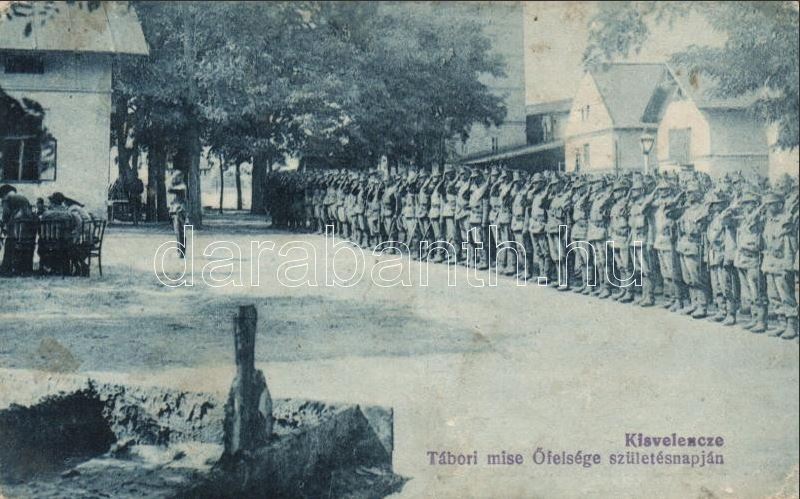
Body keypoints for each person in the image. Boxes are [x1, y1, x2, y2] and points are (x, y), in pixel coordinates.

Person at [761, 192, 798, 339]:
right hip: (770, 263)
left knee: (786, 295)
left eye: (771, 204)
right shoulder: (769, 220)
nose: (768, 207)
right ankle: (781, 323)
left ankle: (792, 325)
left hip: (782, 263)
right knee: (773, 295)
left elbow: (788, 244)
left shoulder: (786, 219)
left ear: (780, 205)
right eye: (767, 204)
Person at [0, 184, 35, 276]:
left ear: (3, 193)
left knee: (9, 245)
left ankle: (7, 268)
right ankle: (24, 268)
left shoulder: (7, 199)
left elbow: (6, 214)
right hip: (28, 228)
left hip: (15, 227)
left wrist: (3, 223)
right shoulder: (23, 198)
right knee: (25, 247)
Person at [169, 171, 188, 258]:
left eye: (176, 177)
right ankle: (179, 250)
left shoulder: (182, 186)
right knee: (177, 231)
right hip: (175, 210)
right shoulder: (178, 186)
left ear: (180, 177)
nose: (175, 179)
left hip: (180, 210)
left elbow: (170, 189)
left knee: (180, 231)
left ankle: (181, 252)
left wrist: (170, 182)